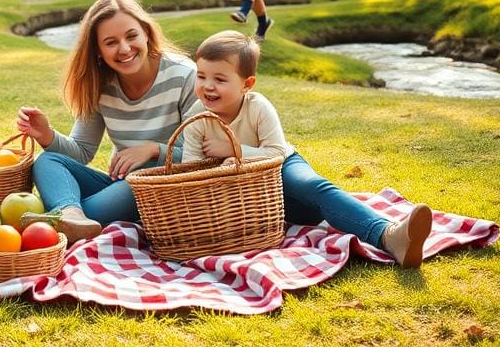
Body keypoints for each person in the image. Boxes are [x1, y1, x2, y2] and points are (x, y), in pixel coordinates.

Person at [182, 31, 433, 268]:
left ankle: (388, 235)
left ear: (247, 84)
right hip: (251, 200)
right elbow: (188, 173)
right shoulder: (196, 118)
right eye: (201, 76)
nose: (208, 86)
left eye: (220, 79)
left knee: (313, 187)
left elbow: (276, 152)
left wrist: (235, 150)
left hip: (282, 170)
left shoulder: (257, 107)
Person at [16, 0, 199, 242]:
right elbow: (81, 151)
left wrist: (152, 150)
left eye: (131, 36)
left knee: (91, 206)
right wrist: (46, 135)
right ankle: (70, 214)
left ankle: (61, 217)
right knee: (47, 161)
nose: (124, 48)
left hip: (164, 186)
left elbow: (199, 155)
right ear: (98, 51)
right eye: (111, 42)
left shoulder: (184, 75)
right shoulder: (100, 84)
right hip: (122, 184)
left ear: (146, 33)